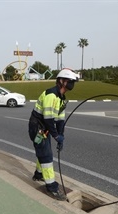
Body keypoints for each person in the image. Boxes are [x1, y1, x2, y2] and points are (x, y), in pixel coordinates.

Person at [28, 68, 79, 201]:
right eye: (70, 81)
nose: (71, 84)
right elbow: (48, 119)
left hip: (45, 128)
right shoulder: (51, 95)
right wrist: (56, 136)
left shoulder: (62, 98)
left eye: (73, 82)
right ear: (61, 81)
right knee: (46, 155)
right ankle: (51, 187)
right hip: (38, 127)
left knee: (43, 152)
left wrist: (61, 136)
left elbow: (60, 119)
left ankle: (38, 175)